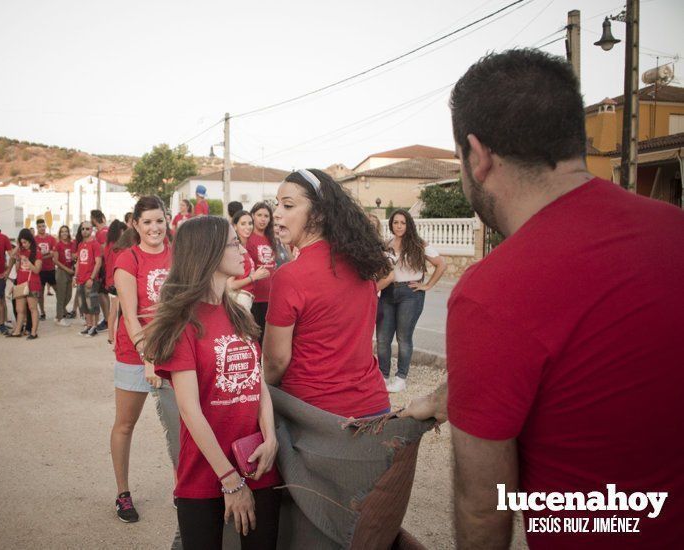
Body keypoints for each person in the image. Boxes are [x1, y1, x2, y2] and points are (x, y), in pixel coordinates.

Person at [400, 49, 684, 549]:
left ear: (477, 154)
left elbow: (484, 507)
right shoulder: (674, 231)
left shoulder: (492, 293)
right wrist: (454, 396)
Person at [145, 216, 280, 548]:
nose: (242, 249)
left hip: (257, 465)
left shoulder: (240, 314)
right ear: (208, 252)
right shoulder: (183, 323)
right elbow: (189, 411)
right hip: (205, 475)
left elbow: (256, 382)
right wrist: (229, 480)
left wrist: (272, 437)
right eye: (233, 242)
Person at [263, 168, 391, 419]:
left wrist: (261, 393)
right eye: (276, 204)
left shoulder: (290, 276)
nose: (276, 213)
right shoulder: (362, 263)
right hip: (374, 405)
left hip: (316, 416)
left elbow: (276, 361)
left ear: (319, 214)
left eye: (288, 206)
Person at [109, 196, 171, 523]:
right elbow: (131, 317)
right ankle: (122, 494)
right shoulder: (127, 259)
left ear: (167, 221)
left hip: (174, 353)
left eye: (159, 220)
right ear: (135, 224)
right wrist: (149, 358)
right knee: (126, 424)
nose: (154, 228)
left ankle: (189, 490)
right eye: (147, 222)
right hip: (136, 354)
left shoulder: (178, 256)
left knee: (186, 424)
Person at [376, 209, 445, 392]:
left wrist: (427, 285)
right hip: (388, 293)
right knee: (383, 338)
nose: (399, 226)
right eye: (396, 222)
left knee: (403, 338)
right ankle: (383, 377)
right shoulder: (387, 244)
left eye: (403, 223)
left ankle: (400, 378)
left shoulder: (418, 244)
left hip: (410, 294)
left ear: (408, 225)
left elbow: (441, 264)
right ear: (391, 224)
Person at [246, 202, 278, 340]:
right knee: (256, 336)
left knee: (268, 336)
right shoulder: (247, 238)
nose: (263, 219)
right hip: (254, 297)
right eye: (259, 215)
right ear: (252, 216)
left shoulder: (272, 239)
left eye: (266, 216)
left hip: (271, 295)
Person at [5, 229, 42, 339]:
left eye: (25, 242)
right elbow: (11, 255)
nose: (23, 244)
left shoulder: (37, 252)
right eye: (22, 242)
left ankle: (34, 332)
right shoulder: (20, 251)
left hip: (33, 284)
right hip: (21, 283)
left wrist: (28, 262)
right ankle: (17, 331)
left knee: (32, 308)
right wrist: (18, 245)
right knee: (19, 309)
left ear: (30, 241)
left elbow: (37, 270)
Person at [228, 211, 269, 308]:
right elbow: (230, 285)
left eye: (250, 223)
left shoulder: (243, 248)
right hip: (238, 299)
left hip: (246, 299)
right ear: (235, 226)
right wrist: (253, 277)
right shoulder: (235, 248)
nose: (248, 227)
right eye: (243, 224)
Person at [73, 222, 103, 336]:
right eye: (82, 229)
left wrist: (91, 278)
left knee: (92, 304)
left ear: (91, 230)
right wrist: (75, 276)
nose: (84, 231)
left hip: (90, 279)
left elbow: (98, 263)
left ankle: (94, 327)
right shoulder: (80, 244)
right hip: (80, 279)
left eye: (87, 229)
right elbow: (79, 262)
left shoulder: (95, 244)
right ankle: (89, 325)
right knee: (83, 304)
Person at [102, 220, 129, 344]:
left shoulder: (108, 245)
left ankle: (110, 336)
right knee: (118, 311)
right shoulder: (119, 248)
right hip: (117, 281)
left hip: (110, 281)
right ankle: (115, 337)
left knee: (113, 310)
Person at [91, 209, 111, 333]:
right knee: (104, 294)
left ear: (93, 219)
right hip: (106, 266)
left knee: (101, 294)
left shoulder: (101, 233)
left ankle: (107, 319)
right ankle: (108, 318)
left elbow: (103, 250)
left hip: (103, 267)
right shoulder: (107, 230)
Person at [34, 219, 58, 321]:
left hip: (51, 269)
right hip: (40, 270)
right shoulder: (34, 239)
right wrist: (47, 254)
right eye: (40, 226)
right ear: (37, 227)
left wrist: (41, 256)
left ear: (45, 227)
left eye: (43, 226)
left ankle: (60, 311)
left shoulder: (51, 238)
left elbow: (53, 253)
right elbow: (35, 254)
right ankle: (43, 312)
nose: (42, 228)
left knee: (58, 291)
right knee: (40, 293)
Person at [53, 225, 75, 326]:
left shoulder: (72, 244)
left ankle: (58, 314)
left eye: (66, 231)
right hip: (62, 272)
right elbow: (55, 260)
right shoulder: (58, 245)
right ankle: (60, 318)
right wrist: (67, 269)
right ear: (60, 233)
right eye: (62, 232)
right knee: (61, 296)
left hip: (71, 271)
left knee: (69, 295)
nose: (64, 233)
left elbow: (74, 256)